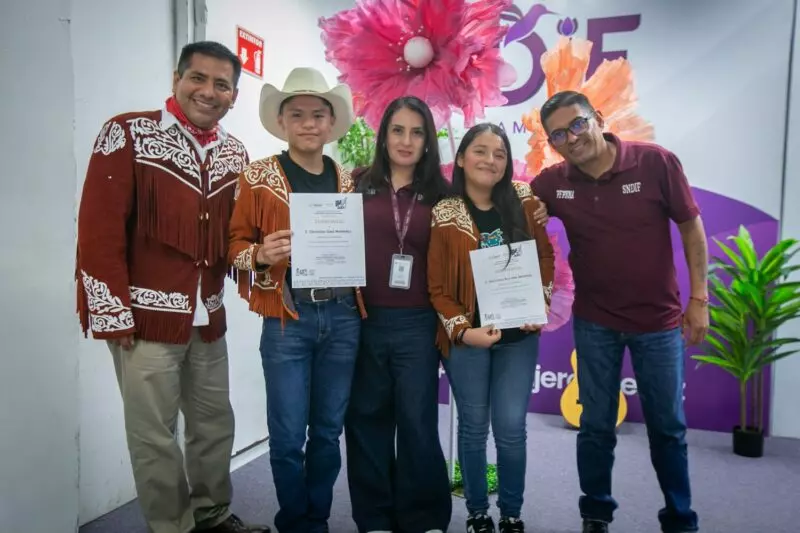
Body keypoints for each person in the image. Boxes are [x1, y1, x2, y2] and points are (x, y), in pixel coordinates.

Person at [76, 41, 268, 533]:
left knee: (213, 427)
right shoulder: (126, 133)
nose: (208, 91)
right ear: (176, 80)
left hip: (208, 320)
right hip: (143, 321)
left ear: (234, 95)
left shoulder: (235, 153)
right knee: (153, 436)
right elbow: (98, 232)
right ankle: (171, 526)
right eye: (197, 78)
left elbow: (234, 239)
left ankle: (212, 515)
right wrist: (111, 312)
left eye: (221, 84)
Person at [530, 90, 708, 533]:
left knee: (668, 428)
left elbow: (692, 229)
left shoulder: (655, 163)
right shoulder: (554, 182)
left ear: (598, 118)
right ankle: (595, 512)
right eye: (558, 134)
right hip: (596, 324)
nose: (571, 138)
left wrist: (699, 299)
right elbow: (510, 210)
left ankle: (680, 518)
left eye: (577, 124)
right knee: (595, 427)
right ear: (552, 143)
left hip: (659, 323)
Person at [227, 67, 360, 533]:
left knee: (327, 431)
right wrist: (260, 254)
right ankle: (294, 522)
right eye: (297, 114)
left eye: (317, 115)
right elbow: (234, 247)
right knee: (286, 436)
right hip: (287, 316)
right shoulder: (259, 176)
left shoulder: (348, 181)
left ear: (330, 123)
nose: (308, 123)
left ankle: (316, 519)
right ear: (282, 122)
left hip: (343, 316)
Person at [428, 123, 555, 533]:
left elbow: (546, 259)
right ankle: (478, 513)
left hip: (519, 338)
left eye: (499, 153)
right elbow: (437, 287)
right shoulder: (444, 213)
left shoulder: (523, 200)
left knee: (512, 428)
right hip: (469, 339)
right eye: (480, 151)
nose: (490, 160)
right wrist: (463, 332)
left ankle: (512, 514)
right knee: (472, 426)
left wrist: (542, 304)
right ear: (461, 158)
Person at [344, 96, 453, 533]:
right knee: (366, 420)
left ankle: (423, 516)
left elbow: (480, 235)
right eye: (397, 130)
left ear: (428, 140)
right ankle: (374, 517)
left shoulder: (444, 194)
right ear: (383, 135)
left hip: (419, 323)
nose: (406, 141)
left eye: (416, 131)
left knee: (417, 421)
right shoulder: (354, 184)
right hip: (363, 319)